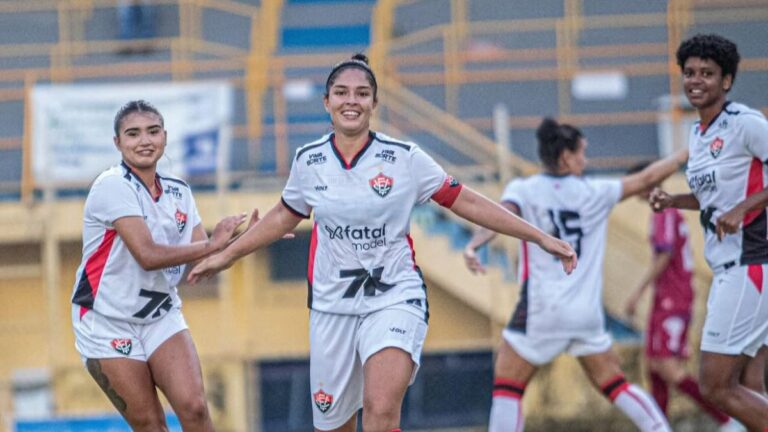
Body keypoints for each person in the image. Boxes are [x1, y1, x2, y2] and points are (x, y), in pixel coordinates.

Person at [187, 53, 577, 432]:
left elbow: (467, 201)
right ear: (327, 102)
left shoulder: (405, 158)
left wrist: (540, 237)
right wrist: (227, 256)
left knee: (380, 410)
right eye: (341, 93)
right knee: (333, 426)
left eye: (362, 93)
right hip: (331, 308)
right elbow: (281, 216)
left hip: (394, 296)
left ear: (374, 103)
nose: (351, 101)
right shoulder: (309, 160)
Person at [463, 118, 690, 432]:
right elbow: (647, 178)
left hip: (541, 311)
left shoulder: (524, 189)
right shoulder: (596, 191)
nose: (585, 159)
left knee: (508, 387)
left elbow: (498, 218)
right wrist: (688, 152)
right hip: (585, 314)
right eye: (581, 152)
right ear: (566, 157)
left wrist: (474, 244)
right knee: (616, 384)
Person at [70, 100, 247, 432]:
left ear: (164, 136)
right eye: (133, 133)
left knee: (195, 409)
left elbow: (205, 258)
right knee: (151, 424)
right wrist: (213, 243)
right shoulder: (112, 185)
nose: (144, 141)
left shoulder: (179, 191)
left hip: (160, 314)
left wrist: (254, 237)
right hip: (106, 322)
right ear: (117, 143)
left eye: (152, 131)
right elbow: (147, 255)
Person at [649, 33, 768, 431]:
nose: (696, 80)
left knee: (716, 386)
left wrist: (743, 209)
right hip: (729, 268)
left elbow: (737, 203)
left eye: (707, 73)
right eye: (689, 72)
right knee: (748, 383)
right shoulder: (698, 134)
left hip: (750, 264)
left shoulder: (745, 123)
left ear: (727, 80)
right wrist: (673, 201)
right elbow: (713, 200)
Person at [624, 162, 739, 431]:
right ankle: (658, 427)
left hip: (674, 298)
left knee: (668, 367)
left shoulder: (664, 213)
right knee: (653, 364)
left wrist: (637, 292)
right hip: (666, 297)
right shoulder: (663, 213)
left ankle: (726, 420)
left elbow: (665, 255)